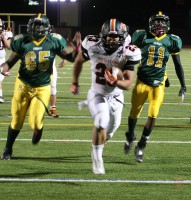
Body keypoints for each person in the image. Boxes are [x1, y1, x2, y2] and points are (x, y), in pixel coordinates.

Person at [0, 13, 81, 160]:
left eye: (40, 25)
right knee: (17, 121)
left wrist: (77, 48)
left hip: (42, 87)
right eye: (35, 25)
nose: (37, 28)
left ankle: (38, 129)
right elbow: (10, 62)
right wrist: (2, 68)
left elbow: (71, 58)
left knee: (36, 122)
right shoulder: (22, 40)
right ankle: (8, 148)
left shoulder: (53, 41)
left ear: (46, 27)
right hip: (23, 85)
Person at [70, 19, 141, 174]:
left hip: (116, 97)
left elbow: (128, 83)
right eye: (109, 36)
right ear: (102, 35)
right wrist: (75, 82)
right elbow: (78, 61)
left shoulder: (129, 51)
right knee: (101, 121)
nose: (113, 39)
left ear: (124, 37)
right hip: (97, 93)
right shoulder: (92, 44)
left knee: (110, 131)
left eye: (116, 37)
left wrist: (116, 81)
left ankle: (99, 144)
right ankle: (97, 158)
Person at [124, 11, 186, 163]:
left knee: (153, 115)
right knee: (134, 113)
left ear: (167, 24)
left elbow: (177, 64)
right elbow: (128, 54)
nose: (159, 25)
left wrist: (183, 84)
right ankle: (130, 135)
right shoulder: (142, 36)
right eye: (157, 21)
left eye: (162, 22)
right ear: (151, 23)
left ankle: (141, 145)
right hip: (141, 82)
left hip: (158, 85)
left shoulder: (172, 40)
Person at [0, 20, 13, 103]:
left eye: (0, 26)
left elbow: (9, 46)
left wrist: (3, 37)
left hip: (1, 59)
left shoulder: (7, 33)